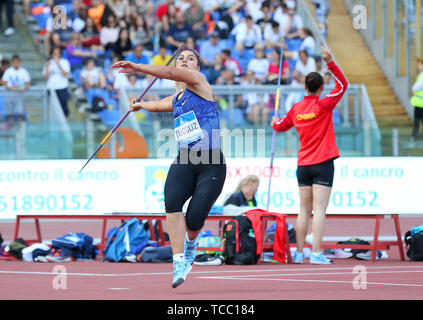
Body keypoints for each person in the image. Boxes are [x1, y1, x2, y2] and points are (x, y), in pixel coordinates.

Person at [111, 47, 226, 288]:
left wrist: (138, 67)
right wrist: (142, 105)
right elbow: (161, 104)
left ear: (197, 66)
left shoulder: (199, 82)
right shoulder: (177, 98)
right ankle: (179, 260)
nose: (184, 62)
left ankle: (191, 244)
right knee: (171, 202)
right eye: (181, 59)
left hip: (211, 163)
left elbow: (170, 72)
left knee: (194, 220)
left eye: (190, 59)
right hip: (184, 159)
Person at [271, 46, 348, 265]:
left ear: (305, 86)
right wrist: (330, 61)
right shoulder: (323, 104)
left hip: (303, 165)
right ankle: (315, 253)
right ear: (321, 88)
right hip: (322, 163)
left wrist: (273, 121)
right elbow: (343, 85)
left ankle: (298, 253)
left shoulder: (296, 108)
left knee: (303, 210)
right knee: (320, 210)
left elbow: (279, 127)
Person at [0, 55, 31, 127]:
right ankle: (11, 129)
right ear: (12, 62)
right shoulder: (8, 71)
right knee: (10, 114)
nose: (16, 63)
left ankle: (20, 130)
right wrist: (11, 88)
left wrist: (24, 88)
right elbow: (4, 82)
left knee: (20, 113)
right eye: (14, 62)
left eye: (17, 62)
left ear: (20, 62)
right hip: (9, 95)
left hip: (19, 95)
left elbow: (28, 83)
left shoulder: (23, 71)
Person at [42, 47, 71, 120]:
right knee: (53, 107)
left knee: (64, 106)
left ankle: (66, 122)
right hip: (51, 87)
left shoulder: (64, 62)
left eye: (57, 53)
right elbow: (46, 77)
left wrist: (58, 64)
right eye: (54, 53)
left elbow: (65, 74)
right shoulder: (48, 63)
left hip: (62, 87)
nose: (56, 54)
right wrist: (47, 67)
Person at [411, 59, 423, 141]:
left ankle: (413, 137)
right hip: (419, 103)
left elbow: (416, 87)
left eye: (420, 64)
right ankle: (413, 137)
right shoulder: (420, 75)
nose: (418, 66)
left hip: (420, 104)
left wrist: (414, 87)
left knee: (417, 122)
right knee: (417, 122)